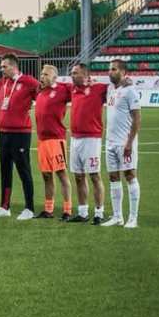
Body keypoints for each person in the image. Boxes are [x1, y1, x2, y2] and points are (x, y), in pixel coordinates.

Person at [0, 53, 38, 220]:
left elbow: (42, 94)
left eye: (4, 66)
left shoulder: (28, 81)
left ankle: (29, 208)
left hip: (21, 133)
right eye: (1, 67)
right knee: (5, 170)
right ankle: (5, 206)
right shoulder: (3, 82)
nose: (2, 69)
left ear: (14, 66)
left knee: (24, 170)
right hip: (3, 132)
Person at [102, 59, 142, 229]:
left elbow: (137, 119)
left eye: (114, 69)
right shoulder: (111, 89)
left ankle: (133, 218)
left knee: (130, 176)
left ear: (123, 72)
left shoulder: (130, 90)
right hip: (110, 142)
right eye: (109, 69)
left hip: (125, 142)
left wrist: (129, 142)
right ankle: (117, 216)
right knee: (113, 177)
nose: (110, 72)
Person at [68, 63, 107, 224]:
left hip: (91, 139)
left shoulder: (99, 88)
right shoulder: (72, 89)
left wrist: (126, 81)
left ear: (85, 75)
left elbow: (115, 85)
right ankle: (83, 212)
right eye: (71, 72)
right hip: (75, 138)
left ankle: (99, 213)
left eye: (75, 73)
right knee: (78, 176)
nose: (72, 75)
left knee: (94, 176)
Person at [33, 65, 72, 220]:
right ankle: (48, 210)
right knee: (46, 176)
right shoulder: (40, 91)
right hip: (42, 140)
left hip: (56, 139)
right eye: (42, 74)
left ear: (55, 77)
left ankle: (67, 211)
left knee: (62, 175)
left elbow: (79, 90)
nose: (42, 77)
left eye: (46, 74)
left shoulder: (64, 89)